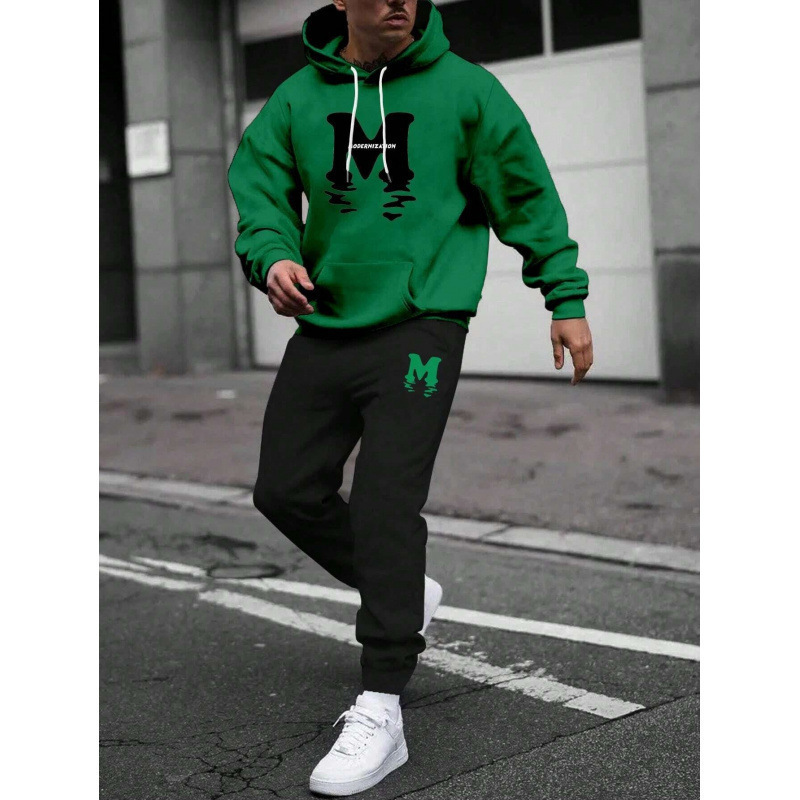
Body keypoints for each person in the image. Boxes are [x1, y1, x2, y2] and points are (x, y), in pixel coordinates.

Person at [227, 0, 593, 794]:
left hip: (423, 325)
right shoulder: (298, 98)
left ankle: (383, 705)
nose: (399, 1)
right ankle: (403, 588)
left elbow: (524, 193)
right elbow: (260, 190)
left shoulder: (465, 91)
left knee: (385, 504)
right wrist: (273, 256)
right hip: (327, 321)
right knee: (284, 489)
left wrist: (563, 295)